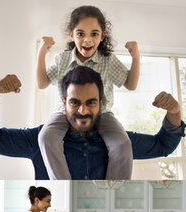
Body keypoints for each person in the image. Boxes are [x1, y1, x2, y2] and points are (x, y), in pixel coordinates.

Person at [0, 67, 185, 179]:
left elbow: (163, 145)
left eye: (91, 102)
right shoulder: (40, 139)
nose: (83, 111)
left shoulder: (119, 142)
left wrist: (175, 111)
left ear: (101, 103)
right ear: (64, 102)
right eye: (75, 102)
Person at [36, 5, 139, 180]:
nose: (87, 40)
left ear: (102, 36)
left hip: (102, 114)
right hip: (65, 113)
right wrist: (42, 52)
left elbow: (130, 84)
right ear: (71, 35)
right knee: (46, 137)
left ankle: (114, 190)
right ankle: (64, 186)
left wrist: (136, 57)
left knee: (122, 144)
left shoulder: (107, 60)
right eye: (81, 34)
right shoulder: (62, 59)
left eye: (94, 34)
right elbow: (42, 83)